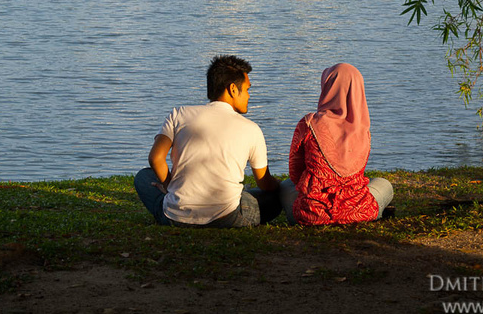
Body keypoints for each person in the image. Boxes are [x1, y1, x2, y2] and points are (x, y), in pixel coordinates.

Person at [134, 55, 282, 228]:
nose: (249, 96)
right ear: (233, 89)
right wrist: (279, 185)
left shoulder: (179, 114)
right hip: (229, 218)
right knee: (273, 198)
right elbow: (264, 183)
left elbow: (156, 158)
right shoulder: (252, 128)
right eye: (248, 89)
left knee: (143, 177)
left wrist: (169, 186)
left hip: (176, 216)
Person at [280, 63, 393, 225]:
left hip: (311, 214)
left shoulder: (309, 124)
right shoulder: (363, 129)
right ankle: (371, 213)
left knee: (285, 185)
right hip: (358, 212)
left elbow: (295, 174)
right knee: (384, 184)